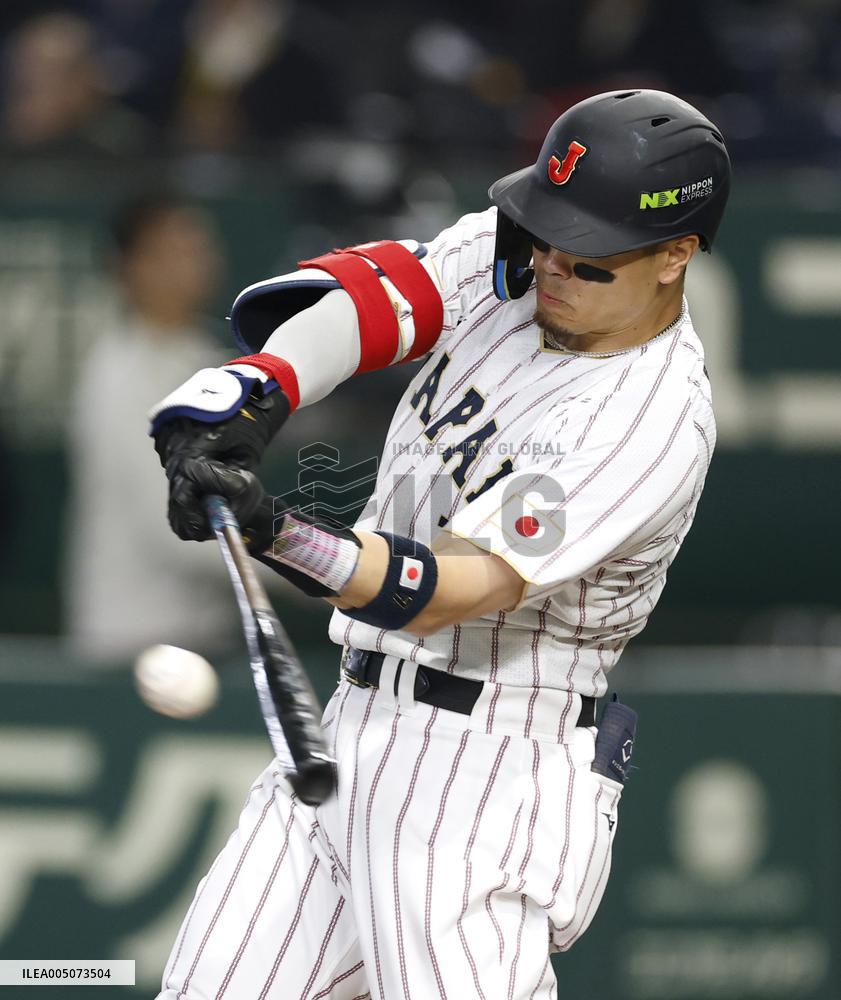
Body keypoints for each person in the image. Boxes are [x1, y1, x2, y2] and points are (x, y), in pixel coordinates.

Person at [150, 89, 730, 998]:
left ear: (675, 254)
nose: (552, 265)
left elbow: (452, 587)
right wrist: (256, 389)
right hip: (347, 732)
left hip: (484, 774)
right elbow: (387, 298)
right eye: (547, 233)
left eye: (588, 256)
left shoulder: (647, 418)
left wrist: (274, 530)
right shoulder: (529, 260)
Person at [65, 195, 238, 663]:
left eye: (200, 246)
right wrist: (310, 563)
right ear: (132, 266)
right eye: (176, 249)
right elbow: (173, 525)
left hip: (207, 635)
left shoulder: (205, 356)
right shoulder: (118, 375)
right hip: (132, 641)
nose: (197, 261)